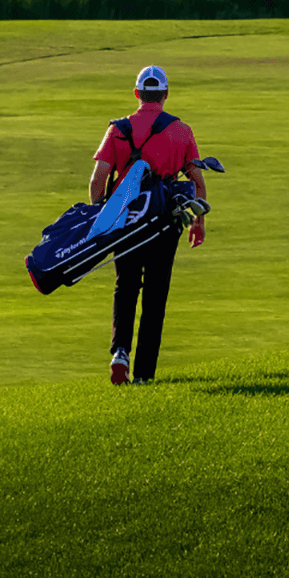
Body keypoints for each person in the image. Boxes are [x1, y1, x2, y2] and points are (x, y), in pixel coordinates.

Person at [89, 65, 207, 385]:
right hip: (165, 222)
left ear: (137, 94)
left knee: (126, 285)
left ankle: (120, 352)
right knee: (155, 294)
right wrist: (198, 222)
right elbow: (197, 182)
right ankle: (144, 375)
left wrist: (100, 214)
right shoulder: (182, 132)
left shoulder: (118, 130)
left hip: (125, 220)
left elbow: (98, 179)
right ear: (165, 95)